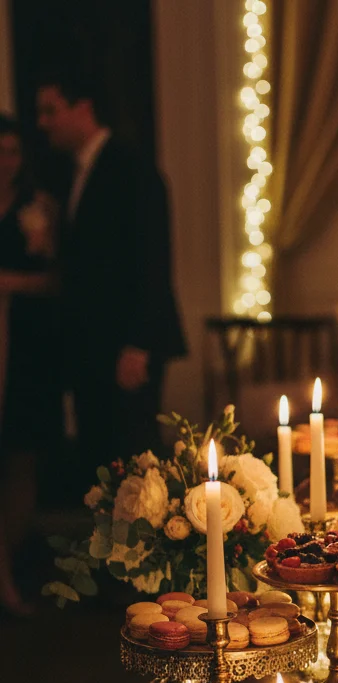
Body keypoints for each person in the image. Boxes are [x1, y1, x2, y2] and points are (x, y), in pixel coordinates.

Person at [35, 66, 185, 484]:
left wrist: (138, 344)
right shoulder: (72, 174)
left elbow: (152, 258)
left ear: (83, 107)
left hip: (125, 347)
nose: (42, 122)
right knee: (99, 463)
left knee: (134, 465)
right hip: (90, 347)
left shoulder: (130, 167)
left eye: (51, 110)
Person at [0, 116, 58, 614]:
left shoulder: (35, 209)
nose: (5, 162)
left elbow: (56, 280)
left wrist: (10, 284)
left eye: (12, 152)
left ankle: (9, 564)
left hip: (23, 351)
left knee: (21, 458)